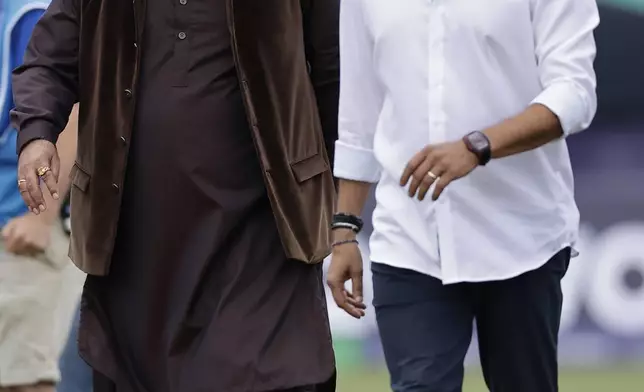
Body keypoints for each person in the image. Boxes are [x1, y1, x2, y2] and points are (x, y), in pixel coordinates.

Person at [11, 0, 339, 391]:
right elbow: (49, 58)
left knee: (263, 373)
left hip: (263, 231)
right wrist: (37, 133)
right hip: (136, 241)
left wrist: (337, 190)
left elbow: (335, 68)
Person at [327, 1, 599, 392]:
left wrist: (477, 146)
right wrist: (345, 230)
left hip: (522, 240)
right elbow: (358, 115)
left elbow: (575, 93)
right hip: (409, 240)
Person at [0, 1, 81, 391]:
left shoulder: (31, 11)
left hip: (17, 230)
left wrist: (39, 217)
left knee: (24, 379)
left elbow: (72, 102)